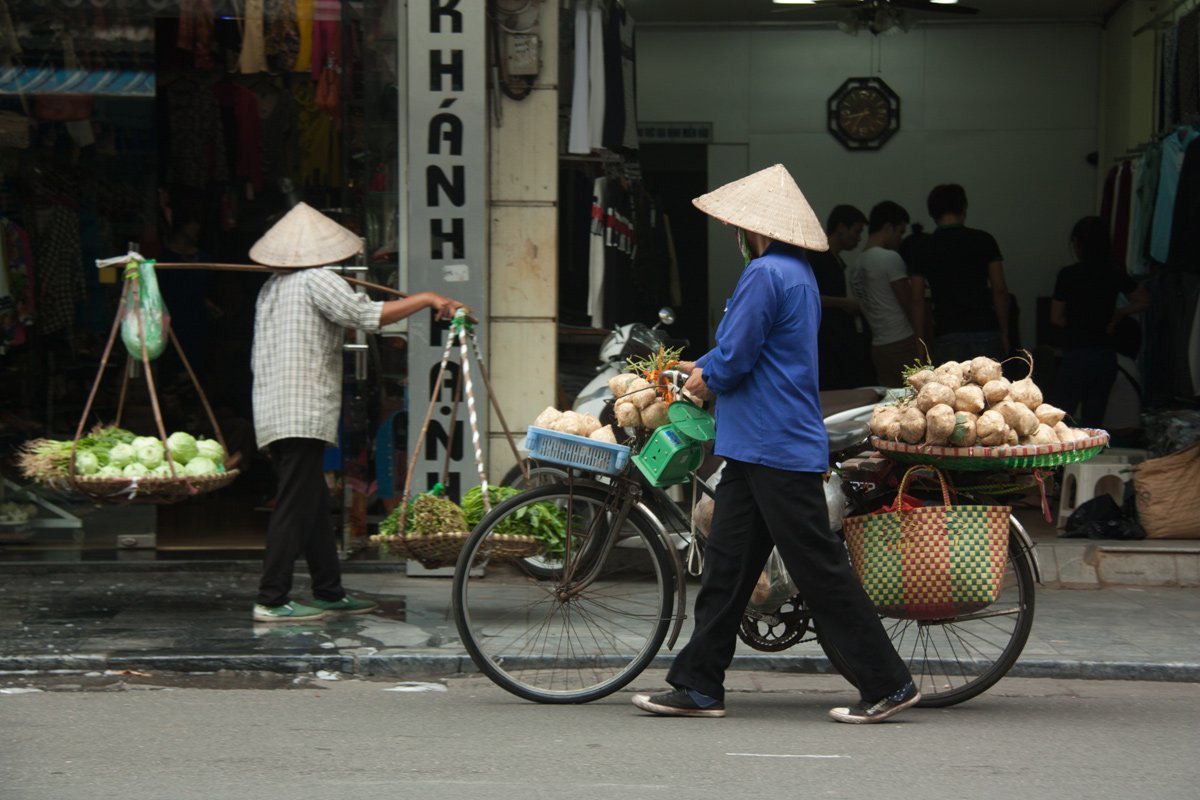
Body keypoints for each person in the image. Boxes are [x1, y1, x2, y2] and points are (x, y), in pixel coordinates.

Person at [630, 164, 918, 724]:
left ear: (752, 229)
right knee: (727, 568)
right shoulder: (797, 271)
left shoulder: (764, 274)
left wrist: (704, 378)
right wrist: (702, 365)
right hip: (755, 447)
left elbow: (736, 359)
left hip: (775, 443)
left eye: (737, 227)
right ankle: (698, 684)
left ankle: (888, 683)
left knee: (819, 568)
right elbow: (748, 348)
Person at [249, 202, 467, 622]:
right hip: (301, 409)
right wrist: (424, 298)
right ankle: (271, 598)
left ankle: (328, 589)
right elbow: (367, 316)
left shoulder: (273, 287)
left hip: (276, 409)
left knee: (310, 499)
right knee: (295, 503)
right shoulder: (318, 280)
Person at [1049, 216, 1150, 429]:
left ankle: (1058, 462)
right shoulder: (1114, 273)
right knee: (1094, 423)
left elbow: (1056, 318)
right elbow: (1144, 300)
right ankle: (1091, 460)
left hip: (1076, 354)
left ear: (1077, 242)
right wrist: (1119, 313)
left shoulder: (1068, 274)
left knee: (1059, 420)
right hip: (1105, 356)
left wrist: (1076, 321)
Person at [908, 184, 1010, 363]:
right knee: (991, 388)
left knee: (951, 389)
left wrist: (919, 343)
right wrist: (1005, 333)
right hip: (984, 327)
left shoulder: (922, 246)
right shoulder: (984, 239)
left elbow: (916, 301)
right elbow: (999, 289)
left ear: (932, 213)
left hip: (946, 330)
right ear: (963, 208)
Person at [848, 201, 920, 386]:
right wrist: (923, 339)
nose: (900, 238)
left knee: (893, 403)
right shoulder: (888, 258)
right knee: (920, 397)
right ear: (888, 227)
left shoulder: (855, 266)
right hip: (902, 340)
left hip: (878, 345)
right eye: (900, 232)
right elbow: (909, 303)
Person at [808, 205, 873, 389]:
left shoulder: (834, 258)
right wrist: (845, 303)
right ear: (841, 228)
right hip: (826, 338)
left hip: (838, 336)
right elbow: (809, 297)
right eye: (857, 231)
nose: (859, 238)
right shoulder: (817, 257)